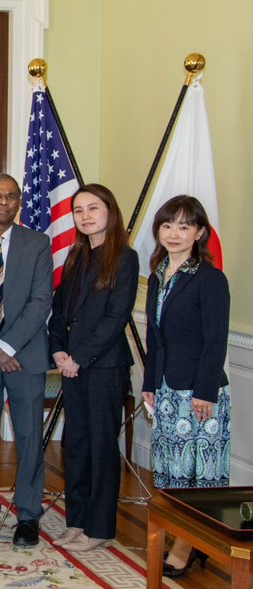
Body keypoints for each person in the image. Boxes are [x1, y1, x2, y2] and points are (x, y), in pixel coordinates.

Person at [141, 195, 231, 577]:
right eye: (167, 225)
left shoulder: (210, 279)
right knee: (171, 471)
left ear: (199, 233)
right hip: (165, 390)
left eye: (183, 226)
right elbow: (154, 337)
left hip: (200, 393)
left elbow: (215, 339)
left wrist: (204, 392)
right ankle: (184, 537)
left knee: (200, 475)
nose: (174, 233)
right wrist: (149, 382)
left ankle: (187, 545)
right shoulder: (158, 275)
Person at [48, 183, 139, 553]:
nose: (85, 216)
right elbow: (60, 313)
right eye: (79, 210)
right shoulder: (75, 256)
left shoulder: (124, 258)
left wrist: (79, 358)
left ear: (110, 211)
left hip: (102, 366)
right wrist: (57, 352)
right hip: (70, 365)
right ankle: (78, 520)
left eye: (93, 208)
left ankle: (101, 527)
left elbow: (115, 318)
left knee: (102, 447)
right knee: (77, 445)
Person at [0, 174, 54, 547]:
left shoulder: (38, 243)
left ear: (19, 203)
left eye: (11, 196)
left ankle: (29, 516)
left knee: (31, 438)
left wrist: (9, 346)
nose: (4, 202)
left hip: (26, 356)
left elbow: (41, 302)